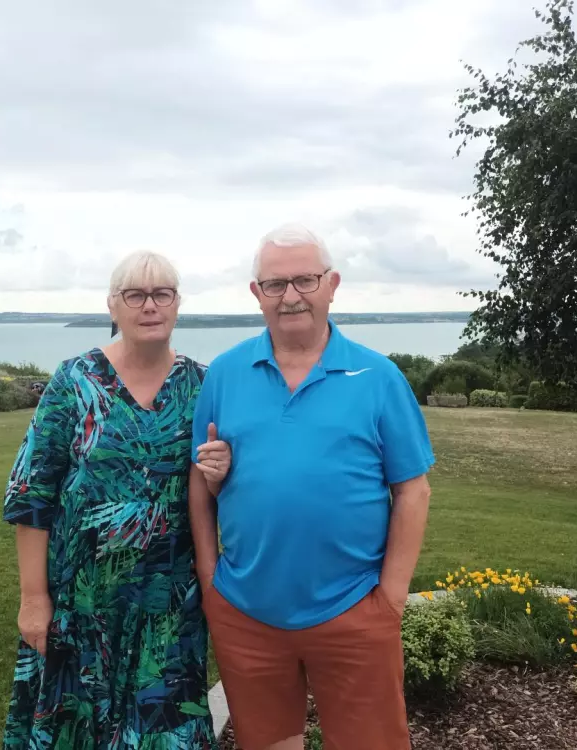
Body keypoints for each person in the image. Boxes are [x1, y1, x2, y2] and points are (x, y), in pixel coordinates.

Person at [188, 224, 435, 750]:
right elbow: (199, 481)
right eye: (275, 284)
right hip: (246, 611)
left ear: (332, 285)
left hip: (353, 607)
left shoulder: (378, 377)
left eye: (305, 280)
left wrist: (390, 598)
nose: (291, 296)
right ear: (256, 293)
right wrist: (211, 581)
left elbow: (413, 491)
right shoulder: (225, 374)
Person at [1, 250, 231, 750]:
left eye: (162, 294)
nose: (150, 306)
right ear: (112, 305)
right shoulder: (75, 381)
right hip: (81, 603)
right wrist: (34, 598)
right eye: (135, 295)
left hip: (169, 609)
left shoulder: (204, 385)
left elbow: (220, 495)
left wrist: (220, 473)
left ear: (177, 304)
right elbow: (31, 496)